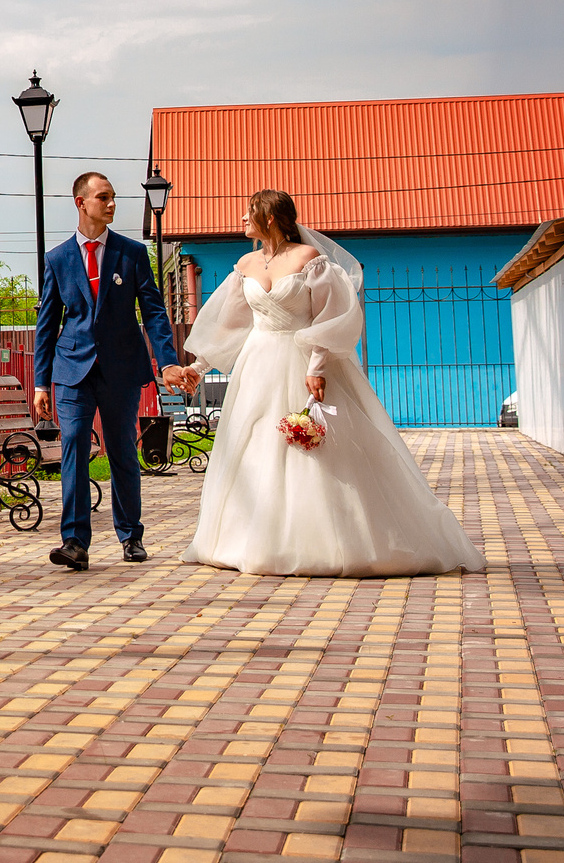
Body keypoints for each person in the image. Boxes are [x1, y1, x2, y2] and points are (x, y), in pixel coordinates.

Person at [166, 190, 483, 576]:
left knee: (313, 449)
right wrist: (199, 365)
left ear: (269, 218)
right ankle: (251, 538)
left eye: (249, 213)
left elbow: (333, 316)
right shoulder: (245, 265)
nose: (242, 221)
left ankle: (329, 541)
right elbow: (232, 324)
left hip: (302, 360)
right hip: (257, 365)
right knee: (253, 446)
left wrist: (316, 365)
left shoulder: (310, 261)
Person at [32, 172, 187, 570]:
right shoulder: (58, 259)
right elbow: (47, 324)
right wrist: (40, 383)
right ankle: (74, 542)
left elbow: (153, 311)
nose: (113, 204)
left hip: (120, 368)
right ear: (81, 203)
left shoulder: (131, 254)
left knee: (122, 453)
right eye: (104, 198)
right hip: (72, 371)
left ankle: (130, 536)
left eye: (114, 197)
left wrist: (168, 360)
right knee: (74, 448)